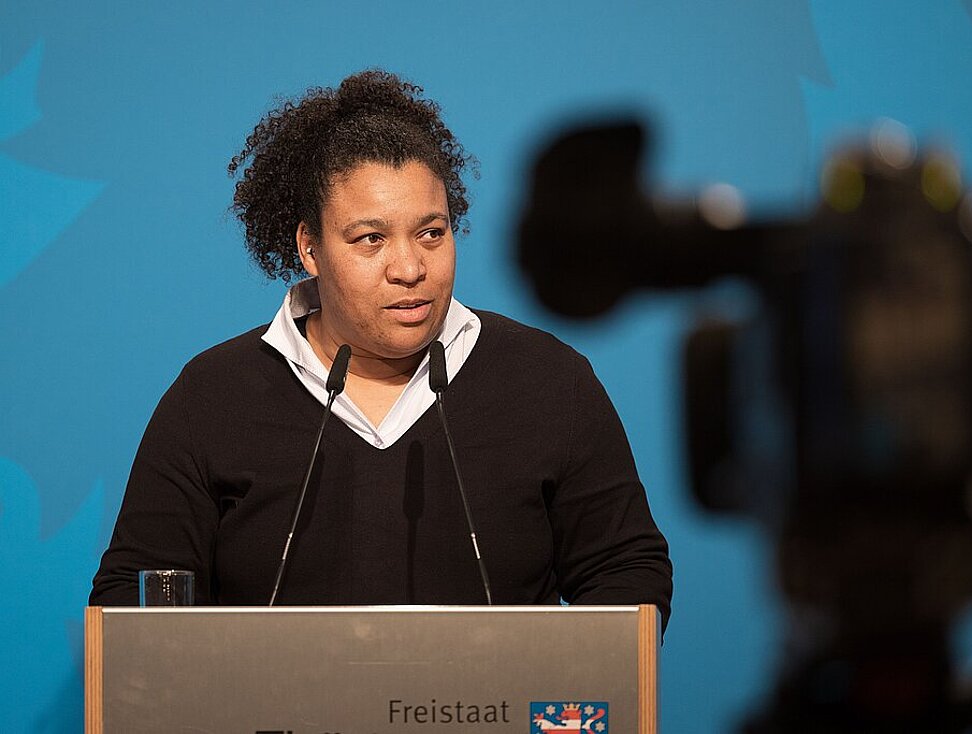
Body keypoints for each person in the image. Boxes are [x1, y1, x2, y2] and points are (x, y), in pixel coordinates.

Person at [89, 70, 672, 628]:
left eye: (431, 233)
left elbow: (626, 573)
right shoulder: (213, 396)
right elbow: (135, 595)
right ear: (310, 248)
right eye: (371, 239)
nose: (410, 268)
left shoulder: (549, 380)